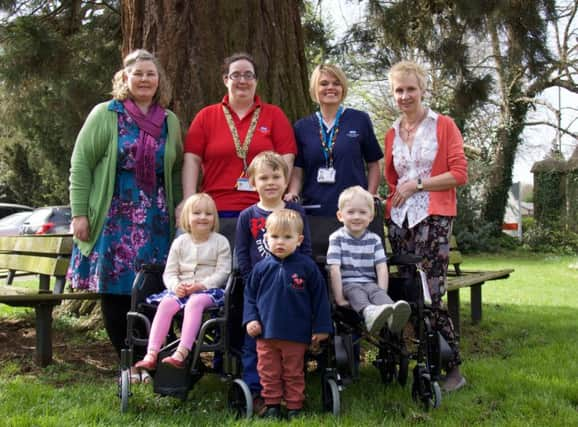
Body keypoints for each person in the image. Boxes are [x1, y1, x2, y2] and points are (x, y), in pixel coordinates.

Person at [68, 49, 183, 383]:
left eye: (151, 74)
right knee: (116, 291)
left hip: (157, 221)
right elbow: (81, 165)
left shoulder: (169, 121)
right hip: (113, 216)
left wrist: (180, 210)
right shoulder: (106, 114)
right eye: (138, 74)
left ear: (159, 80)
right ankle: (127, 362)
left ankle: (150, 359)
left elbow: (174, 171)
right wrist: (79, 213)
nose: (145, 79)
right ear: (125, 78)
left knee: (153, 288)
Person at [384, 60, 468, 392]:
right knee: (408, 295)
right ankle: (426, 359)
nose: (405, 96)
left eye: (410, 89)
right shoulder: (391, 132)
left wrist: (418, 183)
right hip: (400, 221)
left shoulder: (442, 125)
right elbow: (392, 180)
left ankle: (453, 368)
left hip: (432, 218)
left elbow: (459, 174)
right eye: (399, 90)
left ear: (423, 90)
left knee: (430, 293)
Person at [234, 151, 313, 407]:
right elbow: (243, 254)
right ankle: (256, 390)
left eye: (276, 176)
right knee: (254, 339)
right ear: (253, 182)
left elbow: (306, 249)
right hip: (259, 291)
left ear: (285, 179)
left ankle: (293, 391)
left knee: (291, 342)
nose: (270, 182)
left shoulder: (295, 211)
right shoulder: (247, 216)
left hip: (292, 290)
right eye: (264, 177)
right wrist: (251, 282)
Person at [181, 52, 296, 217]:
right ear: (225, 80)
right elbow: (192, 159)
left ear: (256, 81)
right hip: (214, 210)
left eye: (248, 75)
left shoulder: (274, 115)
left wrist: (277, 196)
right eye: (235, 75)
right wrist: (189, 198)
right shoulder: (206, 116)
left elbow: (287, 157)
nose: (242, 81)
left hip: (264, 209)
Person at [243, 209, 332, 419]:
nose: (280, 242)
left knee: (293, 372)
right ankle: (272, 404)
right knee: (268, 372)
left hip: (295, 334)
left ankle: (294, 406)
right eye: (274, 237)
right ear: (266, 238)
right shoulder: (261, 268)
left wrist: (321, 328)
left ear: (299, 240)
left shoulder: (307, 267)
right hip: (266, 334)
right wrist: (251, 319)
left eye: (287, 237)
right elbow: (249, 297)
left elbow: (320, 299)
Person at [134, 193, 231, 373]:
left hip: (208, 292)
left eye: (208, 214)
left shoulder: (220, 242)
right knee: (166, 303)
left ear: (214, 218)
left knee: (195, 302)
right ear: (187, 217)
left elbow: (223, 272)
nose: (203, 217)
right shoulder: (180, 242)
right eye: (197, 213)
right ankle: (152, 353)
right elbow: (170, 272)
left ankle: (181, 352)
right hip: (181, 290)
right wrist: (175, 286)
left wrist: (201, 286)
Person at [287, 64, 383, 216]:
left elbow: (374, 164)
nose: (330, 87)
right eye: (324, 83)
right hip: (315, 209)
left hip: (355, 210)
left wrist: (370, 195)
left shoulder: (359, 119)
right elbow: (298, 170)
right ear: (314, 89)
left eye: (336, 83)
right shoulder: (302, 126)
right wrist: (293, 192)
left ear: (343, 88)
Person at [327, 186, 411, 335]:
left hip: (369, 283)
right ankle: (368, 312)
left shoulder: (374, 239)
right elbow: (334, 269)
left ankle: (392, 313)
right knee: (357, 292)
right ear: (340, 215)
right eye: (351, 212)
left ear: (371, 217)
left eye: (362, 212)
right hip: (348, 284)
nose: (357, 216)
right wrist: (339, 298)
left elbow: (381, 267)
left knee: (378, 294)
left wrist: (381, 290)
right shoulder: (336, 238)